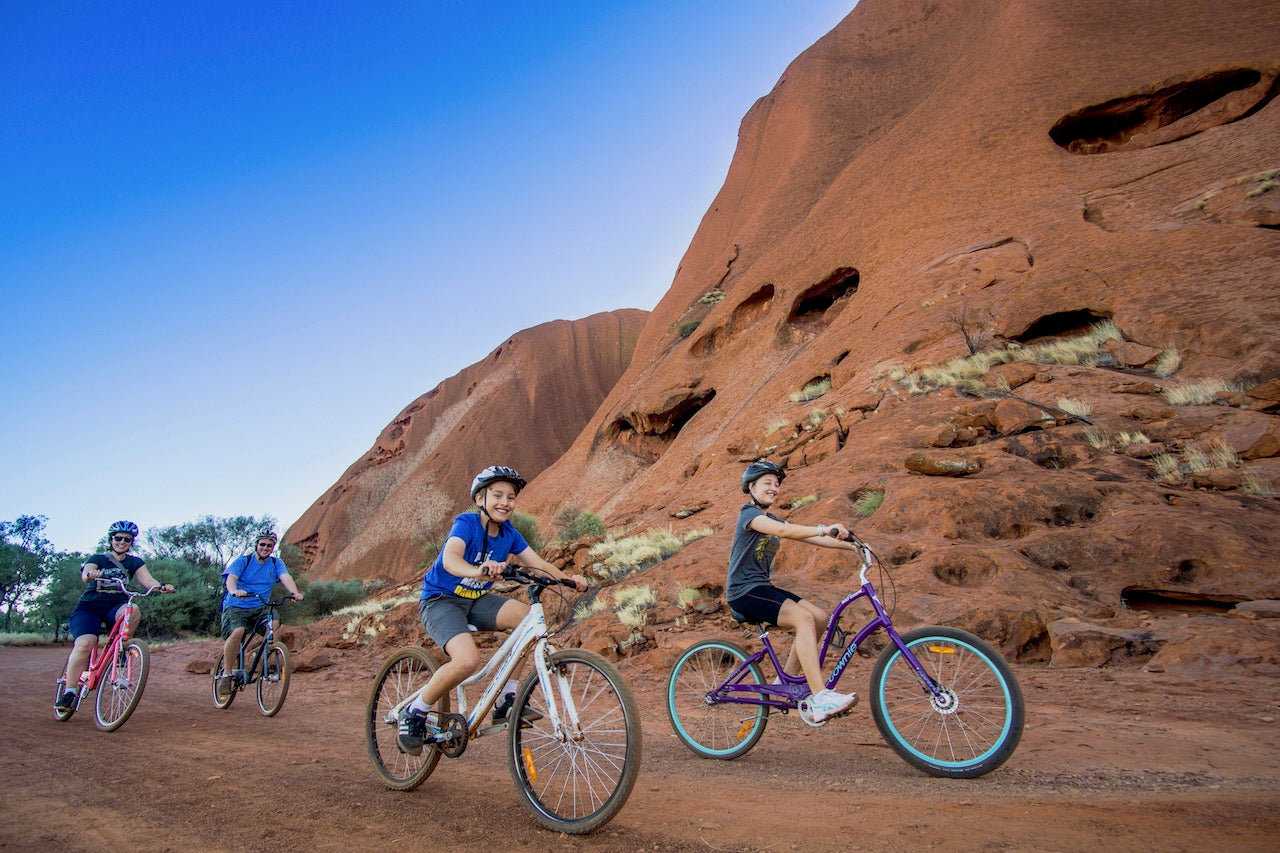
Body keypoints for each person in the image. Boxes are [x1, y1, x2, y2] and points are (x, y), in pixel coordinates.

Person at [397, 465, 588, 755]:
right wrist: (477, 570)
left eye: (511, 497)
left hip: (475, 600)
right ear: (480, 499)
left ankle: (505, 701)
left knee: (526, 621)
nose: (505, 503)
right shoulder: (466, 524)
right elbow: (450, 559)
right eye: (497, 495)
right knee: (466, 661)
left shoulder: (510, 534)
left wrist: (568, 579)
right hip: (441, 600)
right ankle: (415, 712)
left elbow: (537, 563)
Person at [728, 461, 861, 724]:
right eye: (767, 483)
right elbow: (784, 531)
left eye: (776, 484)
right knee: (803, 618)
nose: (774, 488)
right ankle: (820, 697)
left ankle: (785, 683)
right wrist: (824, 527)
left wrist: (854, 547)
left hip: (762, 587)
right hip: (743, 592)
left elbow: (808, 537)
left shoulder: (772, 519)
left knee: (820, 618)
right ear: (751, 487)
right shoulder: (748, 515)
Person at [56, 520, 174, 710]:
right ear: (111, 540)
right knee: (85, 643)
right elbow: (86, 572)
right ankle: (69, 693)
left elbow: (147, 580)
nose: (122, 542)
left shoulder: (134, 562)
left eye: (127, 539)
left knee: (133, 609)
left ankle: (121, 649)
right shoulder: (99, 558)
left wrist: (160, 587)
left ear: (131, 542)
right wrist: (91, 574)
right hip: (90, 607)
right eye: (118, 538)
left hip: (115, 606)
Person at [216, 530, 304, 697]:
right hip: (236, 605)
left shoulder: (276, 563)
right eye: (262, 544)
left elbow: (286, 577)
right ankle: (227, 674)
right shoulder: (244, 561)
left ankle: (265, 662)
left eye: (269, 545)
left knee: (275, 624)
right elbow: (231, 578)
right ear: (256, 545)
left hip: (260, 607)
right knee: (238, 631)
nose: (265, 548)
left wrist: (294, 593)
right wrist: (234, 591)